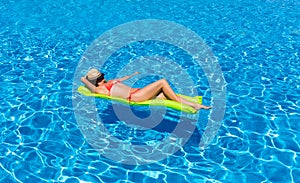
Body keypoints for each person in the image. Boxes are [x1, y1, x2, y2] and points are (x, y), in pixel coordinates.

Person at [81, 68, 212, 110]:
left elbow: (122, 79)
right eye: (100, 78)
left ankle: (195, 105)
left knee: (166, 95)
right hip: (135, 97)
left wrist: (133, 75)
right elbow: (83, 79)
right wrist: (88, 80)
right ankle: (194, 105)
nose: (103, 78)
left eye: (102, 76)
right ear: (95, 82)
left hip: (139, 92)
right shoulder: (100, 90)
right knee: (162, 82)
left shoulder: (109, 82)